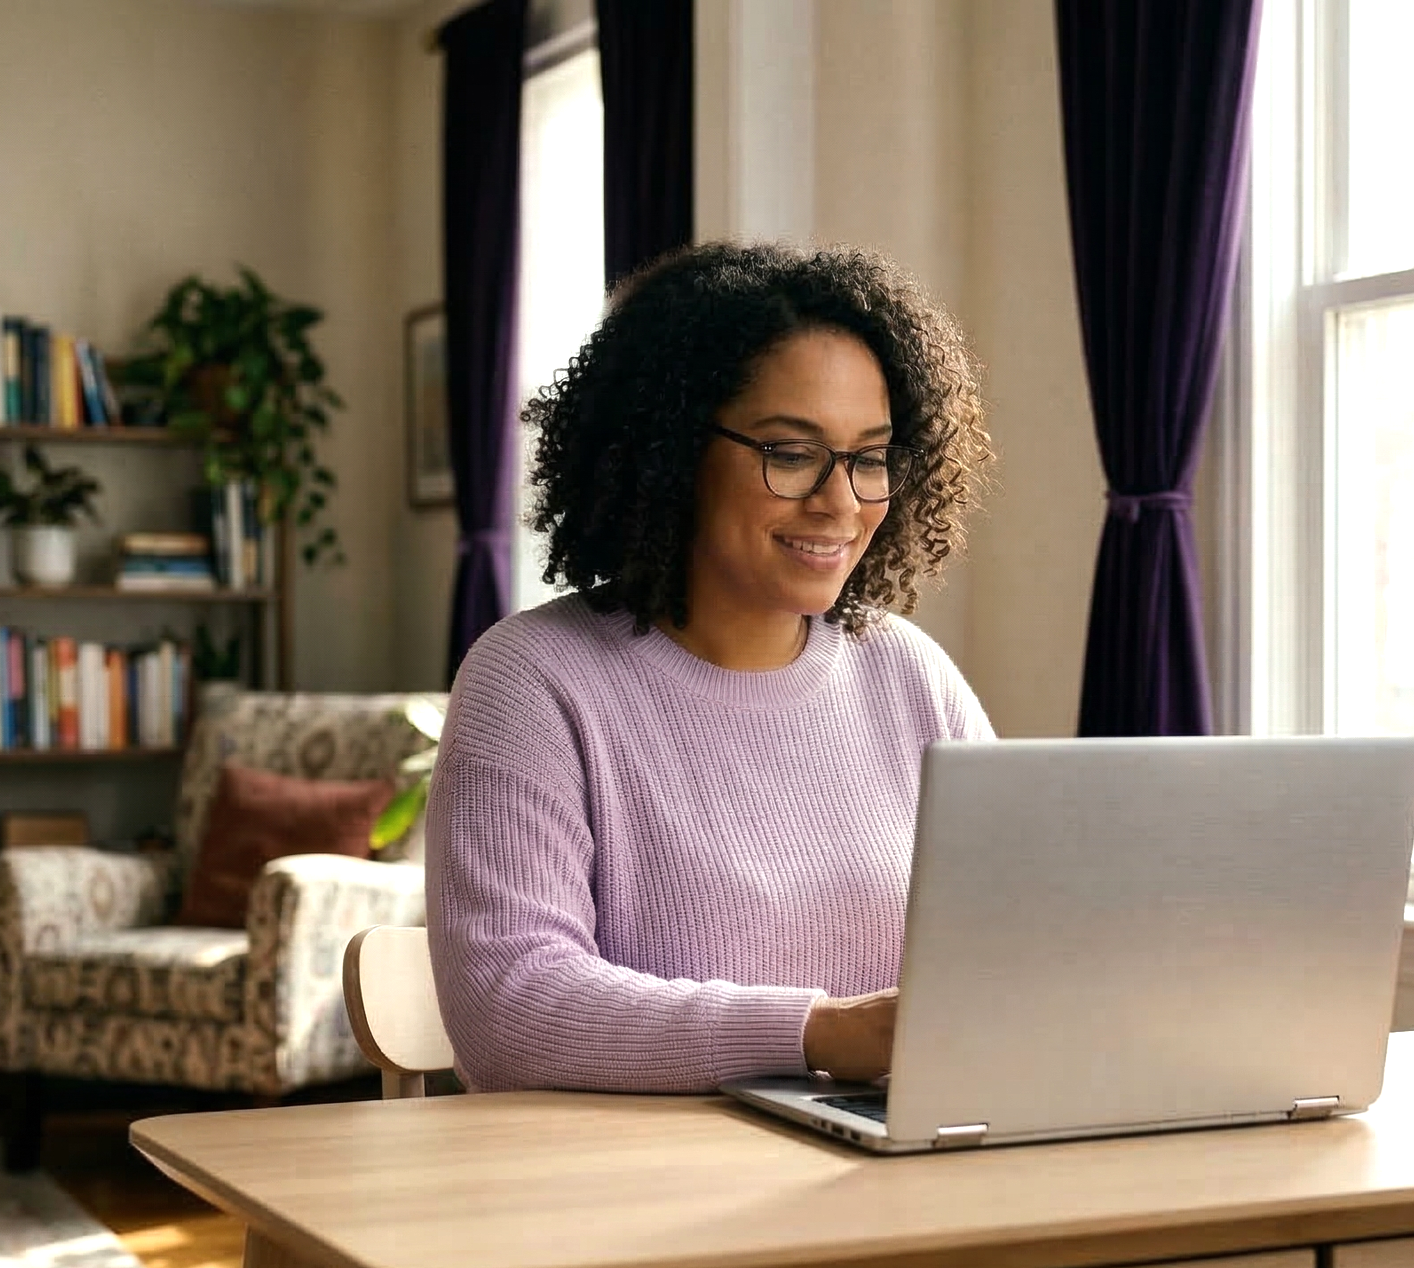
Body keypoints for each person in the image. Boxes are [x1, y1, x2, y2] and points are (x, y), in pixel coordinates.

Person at [426, 241, 998, 1094]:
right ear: (670, 451)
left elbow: (1023, 935)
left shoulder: (907, 673)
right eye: (791, 451)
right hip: (640, 1198)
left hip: (897, 1164)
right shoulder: (533, 681)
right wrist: (818, 1035)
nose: (840, 501)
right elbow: (513, 1006)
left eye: (870, 457)